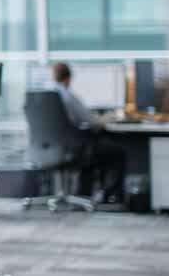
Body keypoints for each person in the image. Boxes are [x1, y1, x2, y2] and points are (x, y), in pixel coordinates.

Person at [50, 63, 125, 203]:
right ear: (68, 79)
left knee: (93, 148)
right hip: (71, 149)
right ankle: (108, 195)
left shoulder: (46, 95)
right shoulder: (68, 96)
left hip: (48, 149)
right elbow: (92, 122)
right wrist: (108, 118)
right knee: (116, 151)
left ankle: (83, 194)